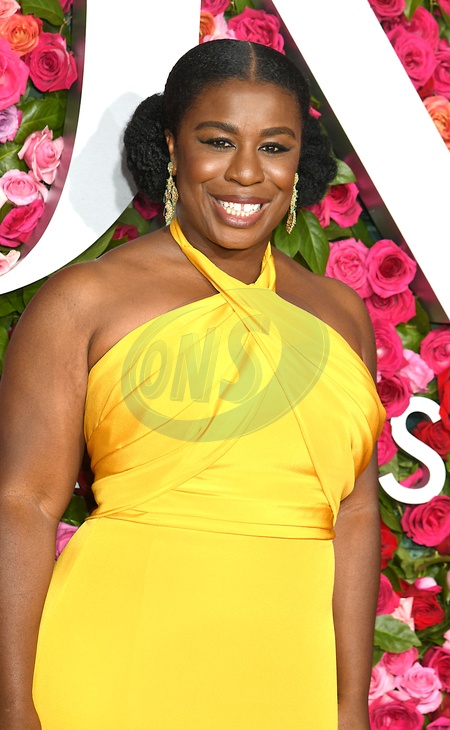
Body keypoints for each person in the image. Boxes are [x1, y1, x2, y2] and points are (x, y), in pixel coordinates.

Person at [0, 39, 385, 730]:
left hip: (288, 676)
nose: (247, 173)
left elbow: (355, 515)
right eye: (218, 141)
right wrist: (11, 705)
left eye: (274, 147)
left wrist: (349, 703)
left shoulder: (341, 313)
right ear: (172, 147)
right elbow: (23, 505)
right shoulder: (84, 301)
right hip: (115, 662)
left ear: (300, 161)